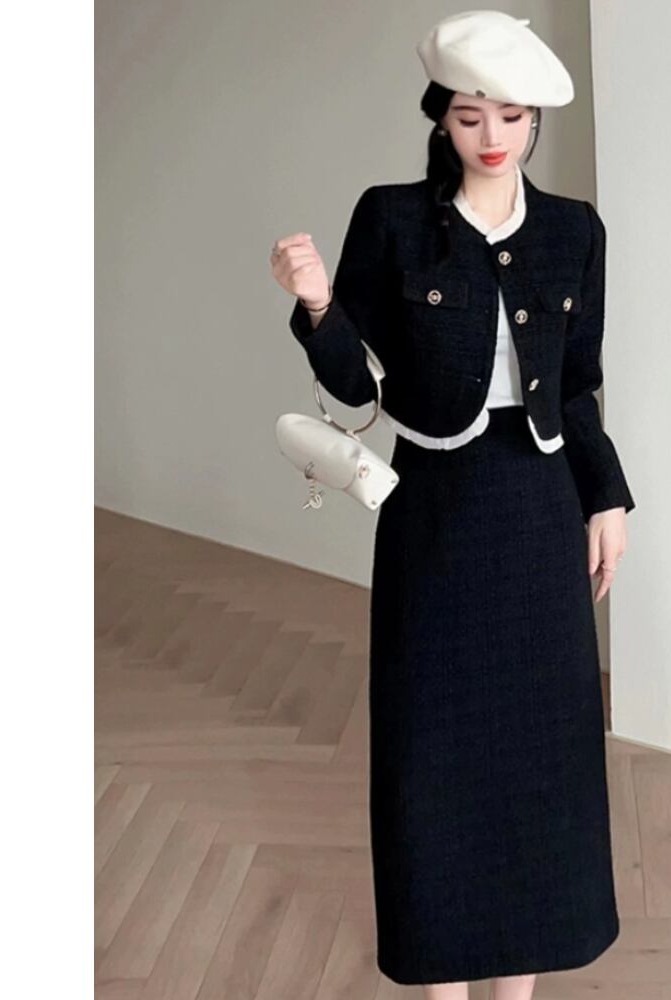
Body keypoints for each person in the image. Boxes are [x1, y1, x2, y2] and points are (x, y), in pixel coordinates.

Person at [269, 11, 635, 1000]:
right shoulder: (392, 220)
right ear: (440, 117)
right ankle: (441, 981)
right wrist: (316, 304)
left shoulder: (573, 232)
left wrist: (606, 500)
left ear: (535, 120)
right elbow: (355, 387)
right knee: (433, 754)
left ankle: (515, 989)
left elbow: (577, 385)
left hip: (539, 509)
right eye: (470, 116)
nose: (492, 135)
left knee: (539, 757)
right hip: (433, 510)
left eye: (511, 116)